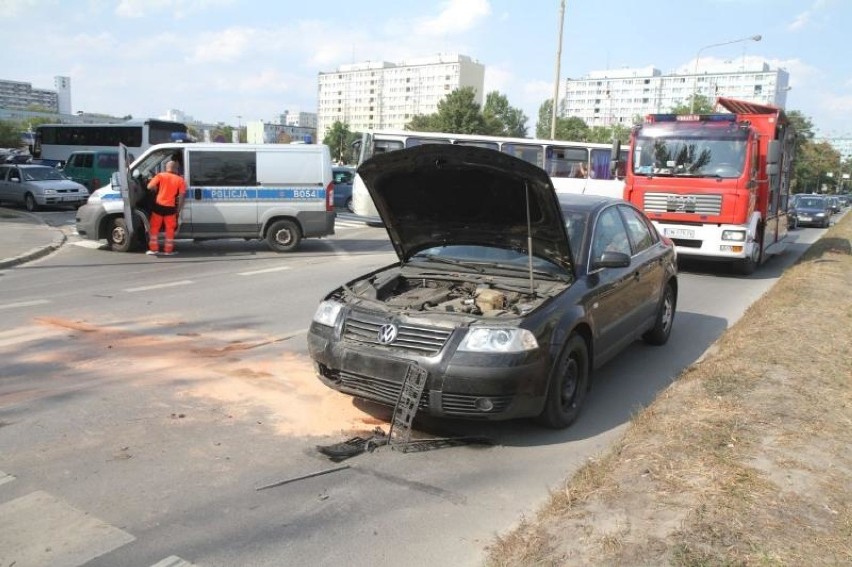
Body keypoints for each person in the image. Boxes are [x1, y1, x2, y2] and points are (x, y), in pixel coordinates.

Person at [146, 160, 186, 256]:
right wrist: (178, 209)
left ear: (167, 168)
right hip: (170, 208)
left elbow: (149, 186)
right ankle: (168, 250)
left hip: (158, 206)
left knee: (154, 228)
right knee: (169, 229)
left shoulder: (160, 175)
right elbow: (182, 196)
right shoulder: (180, 180)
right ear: (176, 169)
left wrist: (156, 188)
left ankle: (154, 249)